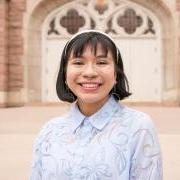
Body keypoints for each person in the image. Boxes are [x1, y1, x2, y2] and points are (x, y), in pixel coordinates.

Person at [30, 30, 163, 180]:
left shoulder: (138, 127)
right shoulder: (49, 131)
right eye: (78, 63)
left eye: (101, 62)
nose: (89, 72)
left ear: (116, 75)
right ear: (65, 74)